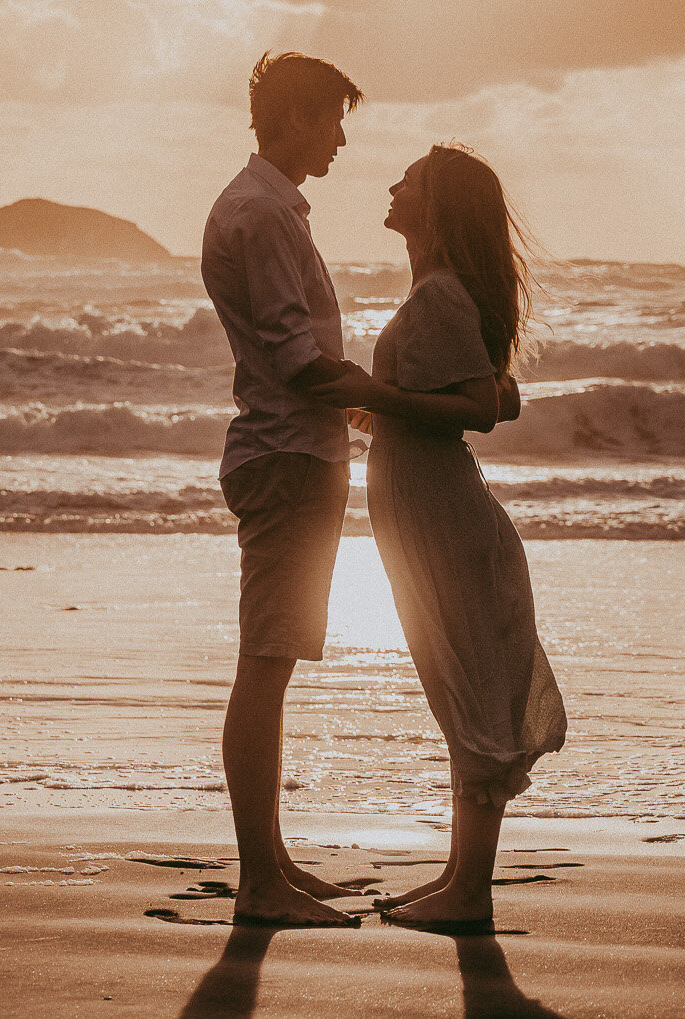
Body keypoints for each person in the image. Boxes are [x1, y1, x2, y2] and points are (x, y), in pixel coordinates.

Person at [311, 144, 568, 934]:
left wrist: (370, 391)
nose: (393, 185)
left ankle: (470, 892)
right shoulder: (433, 291)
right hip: (425, 513)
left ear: (438, 207)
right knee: (456, 690)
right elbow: (475, 396)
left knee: (469, 694)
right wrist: (374, 405)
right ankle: (461, 879)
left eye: (410, 180)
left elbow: (481, 409)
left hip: (445, 520)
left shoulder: (444, 295)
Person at [200, 51, 369, 927]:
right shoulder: (263, 215)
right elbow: (297, 357)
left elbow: (289, 353)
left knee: (271, 664)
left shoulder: (266, 207)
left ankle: (272, 864)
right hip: (287, 455)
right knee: (264, 667)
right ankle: (261, 880)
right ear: (296, 116)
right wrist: (384, 396)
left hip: (294, 451)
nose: (341, 137)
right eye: (333, 119)